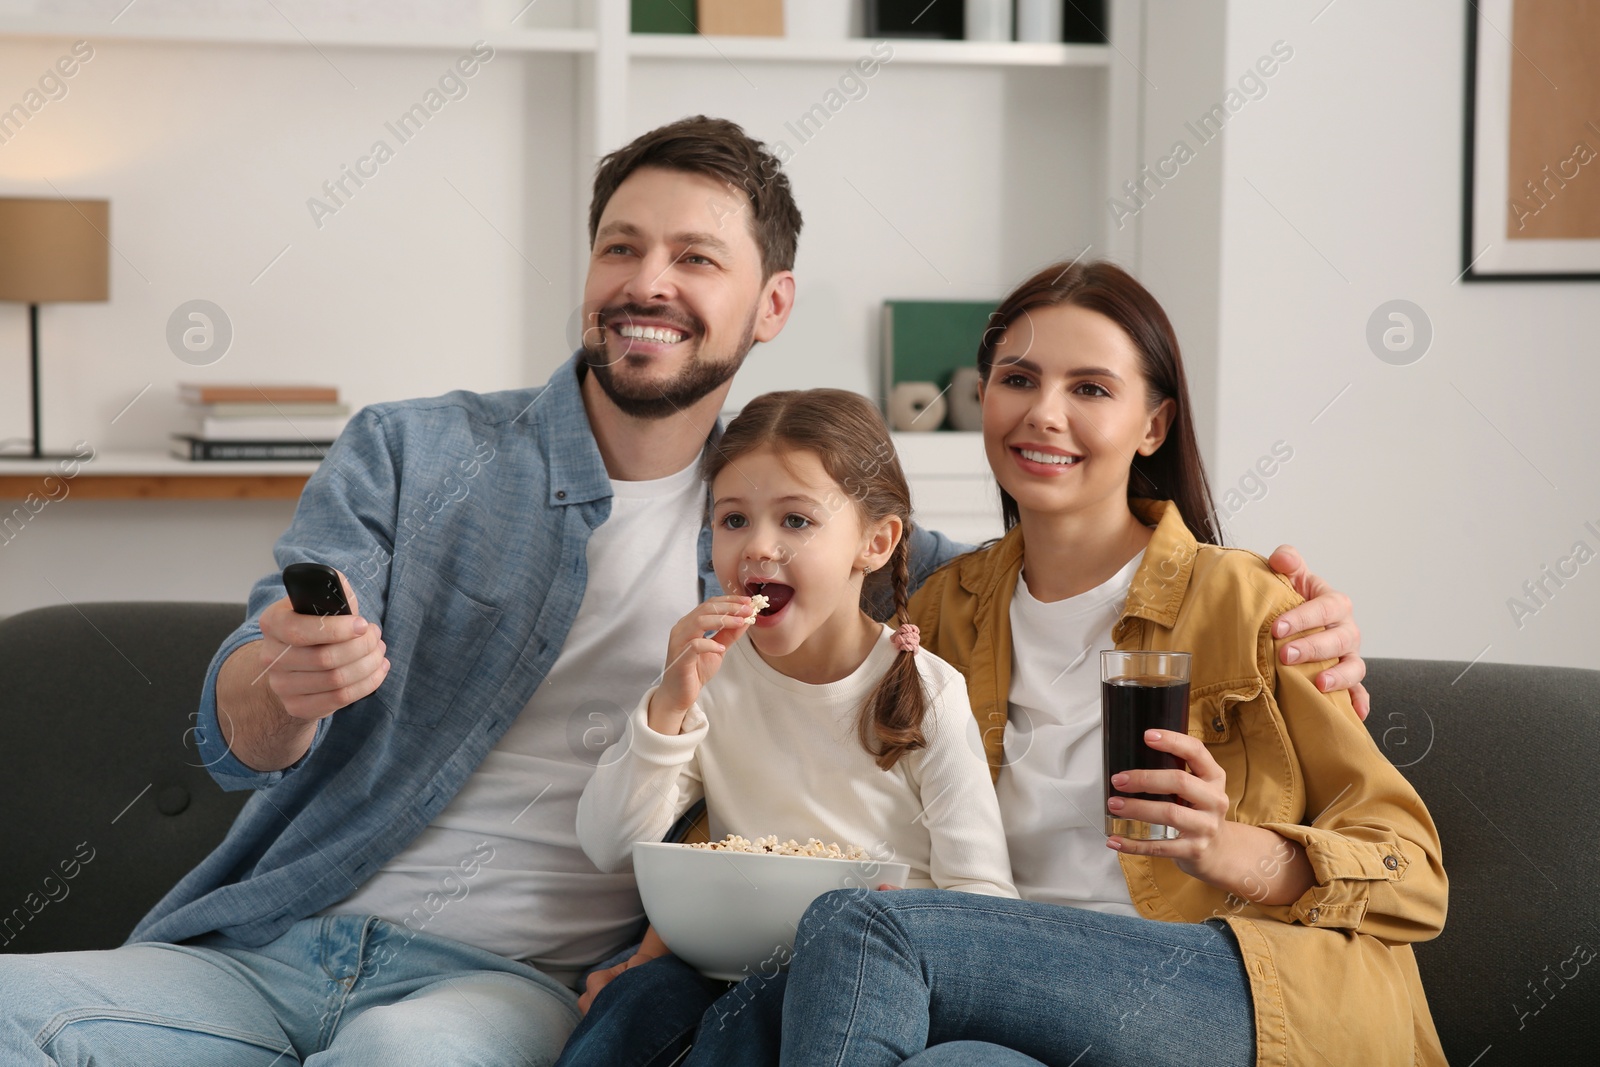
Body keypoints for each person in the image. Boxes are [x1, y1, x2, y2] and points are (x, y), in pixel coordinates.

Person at [0, 116, 1367, 1067]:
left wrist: (1284, 607)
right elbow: (240, 719)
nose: (647, 282)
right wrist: (275, 684)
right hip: (268, 940)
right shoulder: (415, 450)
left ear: (770, 305)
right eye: (621, 247)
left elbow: (1059, 573)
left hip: (494, 988)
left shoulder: (815, 530)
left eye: (696, 259)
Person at [776, 261, 1447, 1067]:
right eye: (1017, 378)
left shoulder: (1250, 603)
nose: (1044, 414)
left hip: (1229, 989)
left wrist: (1225, 845)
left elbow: (1414, 877)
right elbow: (812, 773)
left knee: (861, 929)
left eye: (1091, 389)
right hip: (1009, 999)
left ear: (1153, 425)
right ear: (984, 397)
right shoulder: (941, 611)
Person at [559, 389, 1015, 1066]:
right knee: (633, 1004)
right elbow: (606, 841)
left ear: (876, 542)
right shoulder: (710, 676)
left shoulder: (926, 692)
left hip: (863, 973)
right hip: (719, 957)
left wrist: (908, 933)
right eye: (733, 519)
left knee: (752, 1023)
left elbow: (985, 902)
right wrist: (668, 705)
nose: (758, 547)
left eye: (797, 520)